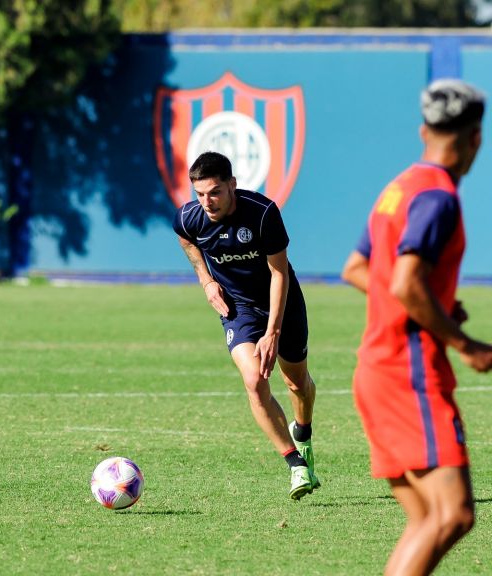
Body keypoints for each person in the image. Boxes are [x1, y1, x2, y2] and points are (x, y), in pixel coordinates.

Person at [342, 79, 492, 575]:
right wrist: (463, 342)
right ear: (475, 139)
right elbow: (406, 284)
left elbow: (359, 269)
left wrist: (440, 306)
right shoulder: (440, 197)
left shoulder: (400, 187)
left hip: (376, 371)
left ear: (423, 130)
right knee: (454, 515)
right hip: (409, 374)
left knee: (427, 518)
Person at [173, 151, 320, 500]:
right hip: (238, 309)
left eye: (215, 192)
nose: (207, 202)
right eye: (200, 194)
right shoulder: (189, 218)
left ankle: (304, 432)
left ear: (232, 185)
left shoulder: (263, 213)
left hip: (281, 302)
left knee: (296, 382)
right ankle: (296, 464)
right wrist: (206, 281)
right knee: (255, 380)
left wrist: (273, 332)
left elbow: (279, 272)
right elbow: (187, 242)